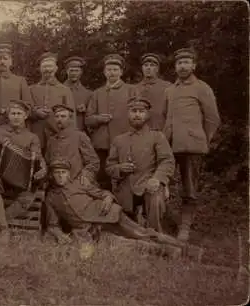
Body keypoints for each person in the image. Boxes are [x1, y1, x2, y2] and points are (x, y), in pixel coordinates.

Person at [45, 159, 184, 249]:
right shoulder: (51, 198)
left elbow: (104, 193)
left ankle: (185, 248)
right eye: (57, 173)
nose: (60, 176)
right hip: (90, 230)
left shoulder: (79, 184)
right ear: (52, 175)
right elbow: (52, 225)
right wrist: (59, 235)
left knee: (142, 233)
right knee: (126, 245)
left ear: (69, 174)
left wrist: (107, 199)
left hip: (108, 214)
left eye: (63, 172)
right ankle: (168, 251)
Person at [163, 48, 220, 241]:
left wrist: (202, 138)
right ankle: (162, 223)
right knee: (164, 184)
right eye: (179, 63)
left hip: (192, 147)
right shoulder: (170, 90)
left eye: (187, 62)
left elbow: (212, 119)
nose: (183, 66)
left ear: (194, 65)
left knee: (189, 188)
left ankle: (184, 228)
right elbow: (166, 117)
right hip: (170, 146)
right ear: (175, 67)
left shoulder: (202, 88)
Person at [0, 99, 47, 243]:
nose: (15, 116)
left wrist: (43, 168)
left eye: (19, 113)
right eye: (13, 113)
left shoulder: (32, 137)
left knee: (28, 195)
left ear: (25, 116)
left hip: (20, 179)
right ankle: (4, 230)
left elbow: (37, 158)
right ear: (8, 115)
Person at [105, 97, 175, 233]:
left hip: (148, 183)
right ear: (128, 114)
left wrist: (157, 179)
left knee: (155, 198)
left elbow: (167, 161)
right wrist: (119, 169)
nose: (137, 115)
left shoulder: (157, 136)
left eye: (141, 111)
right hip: (125, 187)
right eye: (133, 111)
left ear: (147, 115)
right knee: (123, 226)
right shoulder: (119, 140)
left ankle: (156, 235)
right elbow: (109, 167)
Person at [85, 54, 137, 190]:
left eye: (115, 69)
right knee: (102, 177)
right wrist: (98, 119)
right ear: (104, 72)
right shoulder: (97, 93)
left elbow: (139, 114)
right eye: (109, 70)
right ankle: (104, 205)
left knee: (125, 175)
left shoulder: (131, 90)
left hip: (124, 140)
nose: (112, 73)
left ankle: (126, 206)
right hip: (102, 143)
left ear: (121, 72)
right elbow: (88, 119)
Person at [30, 52, 76, 152]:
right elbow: (26, 111)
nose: (47, 69)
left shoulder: (65, 90)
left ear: (56, 68)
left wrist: (70, 137)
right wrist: (35, 113)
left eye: (50, 66)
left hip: (58, 134)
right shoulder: (31, 89)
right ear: (40, 69)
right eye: (44, 66)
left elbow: (71, 116)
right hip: (36, 135)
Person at [45, 104, 100, 185]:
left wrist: (86, 175)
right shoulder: (52, 140)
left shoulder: (80, 136)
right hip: (56, 184)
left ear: (70, 118)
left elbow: (93, 162)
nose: (59, 119)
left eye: (63, 116)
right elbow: (48, 163)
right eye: (57, 116)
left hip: (76, 182)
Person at [135, 53, 172, 131]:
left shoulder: (167, 87)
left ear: (157, 69)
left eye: (152, 65)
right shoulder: (135, 88)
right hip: (140, 132)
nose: (148, 68)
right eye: (146, 65)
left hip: (161, 131)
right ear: (142, 68)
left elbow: (172, 113)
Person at [63, 56, 93, 133]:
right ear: (66, 71)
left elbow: (91, 117)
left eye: (76, 71)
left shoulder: (88, 93)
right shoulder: (59, 90)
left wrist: (85, 110)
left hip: (80, 132)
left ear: (81, 72)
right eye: (71, 71)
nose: (74, 73)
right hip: (62, 132)